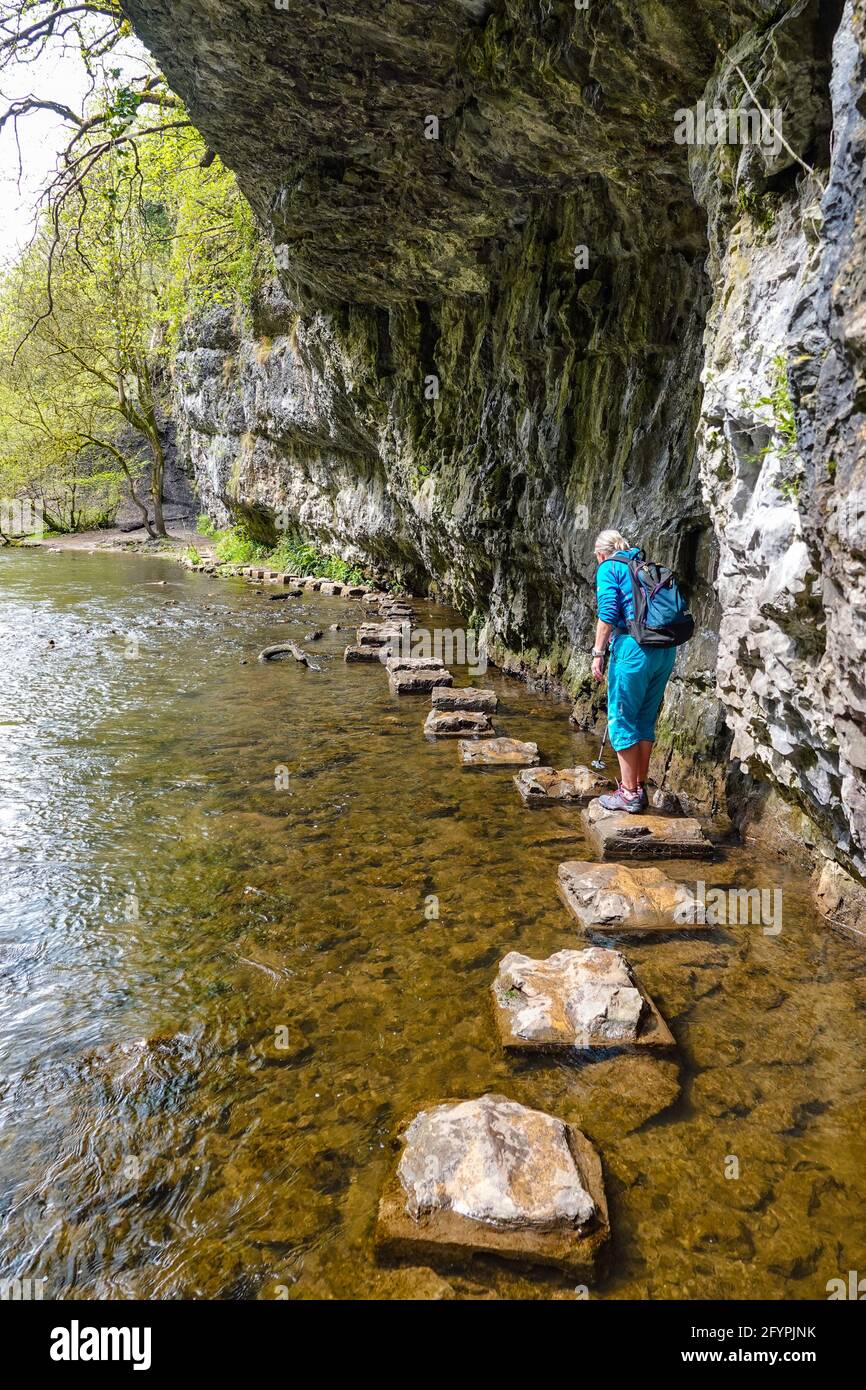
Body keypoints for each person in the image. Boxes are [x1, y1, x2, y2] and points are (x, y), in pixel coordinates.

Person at [590, 529, 676, 813]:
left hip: (632, 649)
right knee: (644, 719)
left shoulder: (609, 568)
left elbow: (607, 615)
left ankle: (628, 793)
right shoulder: (643, 565)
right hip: (664, 650)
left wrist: (598, 654)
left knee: (622, 719)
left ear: (601, 553)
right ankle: (639, 787)